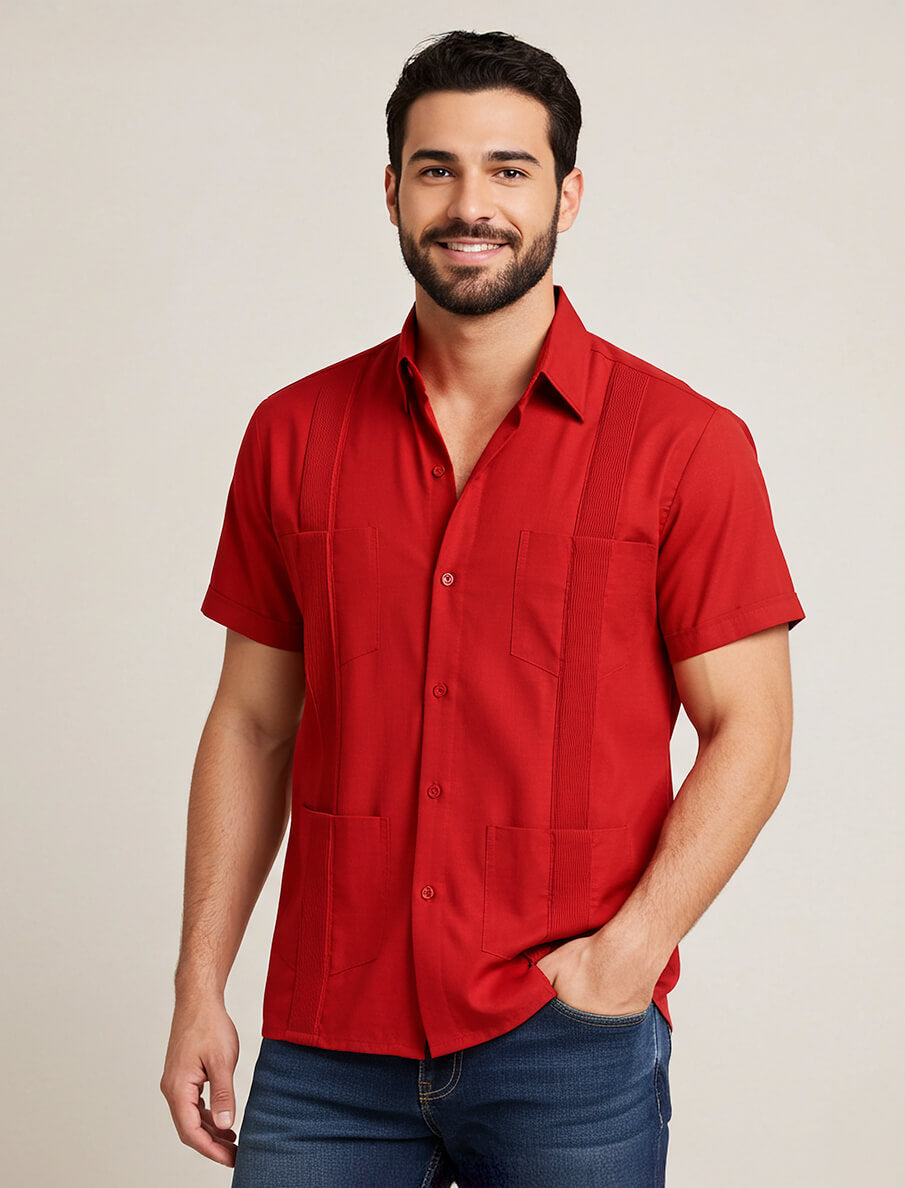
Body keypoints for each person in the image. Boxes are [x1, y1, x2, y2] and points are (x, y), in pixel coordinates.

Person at [161, 29, 804, 1187]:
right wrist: (198, 984)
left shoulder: (684, 447)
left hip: (566, 1042)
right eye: (436, 168)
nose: (470, 204)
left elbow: (751, 733)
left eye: (508, 170)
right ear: (393, 190)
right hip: (325, 1038)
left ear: (566, 192)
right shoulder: (291, 436)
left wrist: (629, 956)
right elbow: (251, 723)